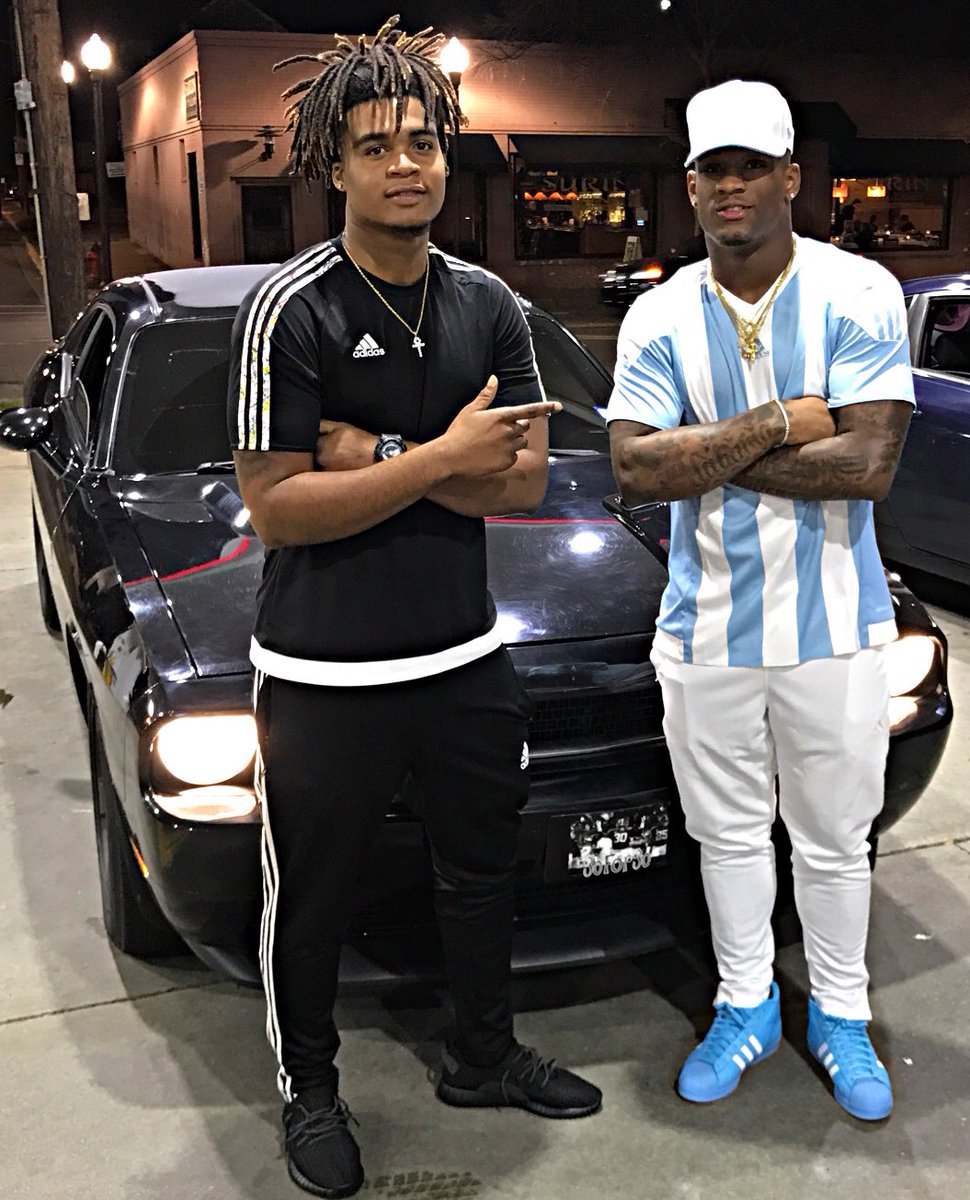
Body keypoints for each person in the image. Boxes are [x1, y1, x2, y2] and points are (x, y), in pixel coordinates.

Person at [228, 16, 601, 1199]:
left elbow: (523, 481)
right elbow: (281, 508)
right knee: (314, 899)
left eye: (423, 143)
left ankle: (481, 1057)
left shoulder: (487, 304)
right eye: (376, 145)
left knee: (479, 874)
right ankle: (311, 1089)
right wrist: (443, 456)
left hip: (464, 658)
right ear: (332, 167)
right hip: (324, 673)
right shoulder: (291, 310)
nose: (406, 164)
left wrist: (376, 452)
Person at [607, 79, 914, 1122]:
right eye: (712, 170)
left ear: (791, 176)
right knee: (728, 835)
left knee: (834, 839)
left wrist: (701, 455)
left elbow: (868, 465)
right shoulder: (658, 313)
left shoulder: (858, 290)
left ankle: (841, 1012)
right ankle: (746, 1005)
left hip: (835, 628)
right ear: (690, 185)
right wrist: (779, 421)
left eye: (751, 167)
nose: (730, 186)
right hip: (704, 629)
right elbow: (635, 471)